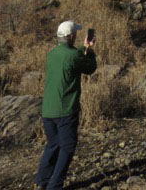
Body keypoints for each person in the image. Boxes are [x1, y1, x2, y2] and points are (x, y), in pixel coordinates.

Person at [35, 20, 97, 190]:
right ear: (70, 37)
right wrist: (89, 50)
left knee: (53, 144)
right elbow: (90, 68)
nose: (76, 35)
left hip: (48, 109)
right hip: (65, 109)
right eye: (75, 34)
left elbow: (70, 57)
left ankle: (42, 180)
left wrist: (82, 48)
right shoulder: (73, 55)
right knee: (68, 146)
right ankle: (54, 186)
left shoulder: (52, 54)